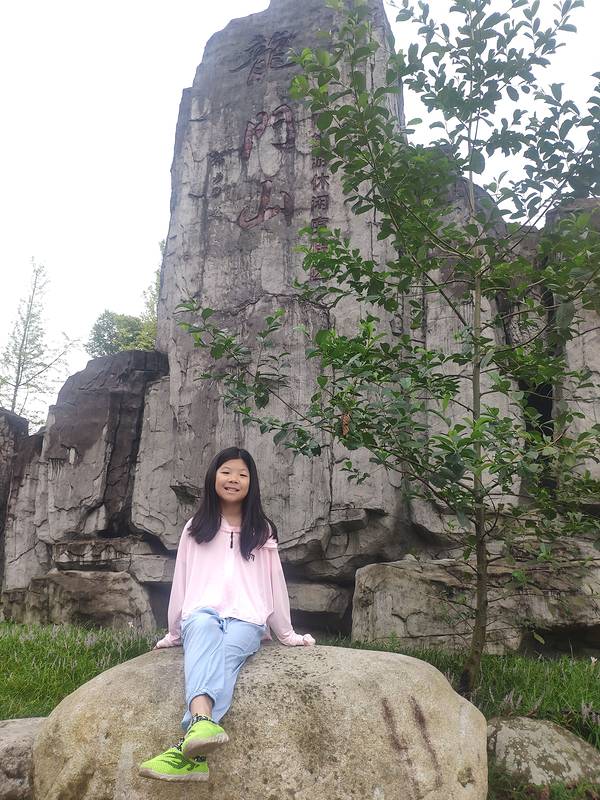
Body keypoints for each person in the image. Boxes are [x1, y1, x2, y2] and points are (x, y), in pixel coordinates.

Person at [138, 446, 316, 783]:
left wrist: (286, 633)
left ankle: (191, 744)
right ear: (213, 477)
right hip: (200, 614)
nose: (234, 479)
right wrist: (174, 633)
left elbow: (273, 584)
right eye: (226, 472)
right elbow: (182, 580)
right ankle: (198, 739)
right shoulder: (196, 527)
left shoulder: (262, 530)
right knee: (204, 627)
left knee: (224, 657)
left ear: (251, 483)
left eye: (242, 474)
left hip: (247, 620)